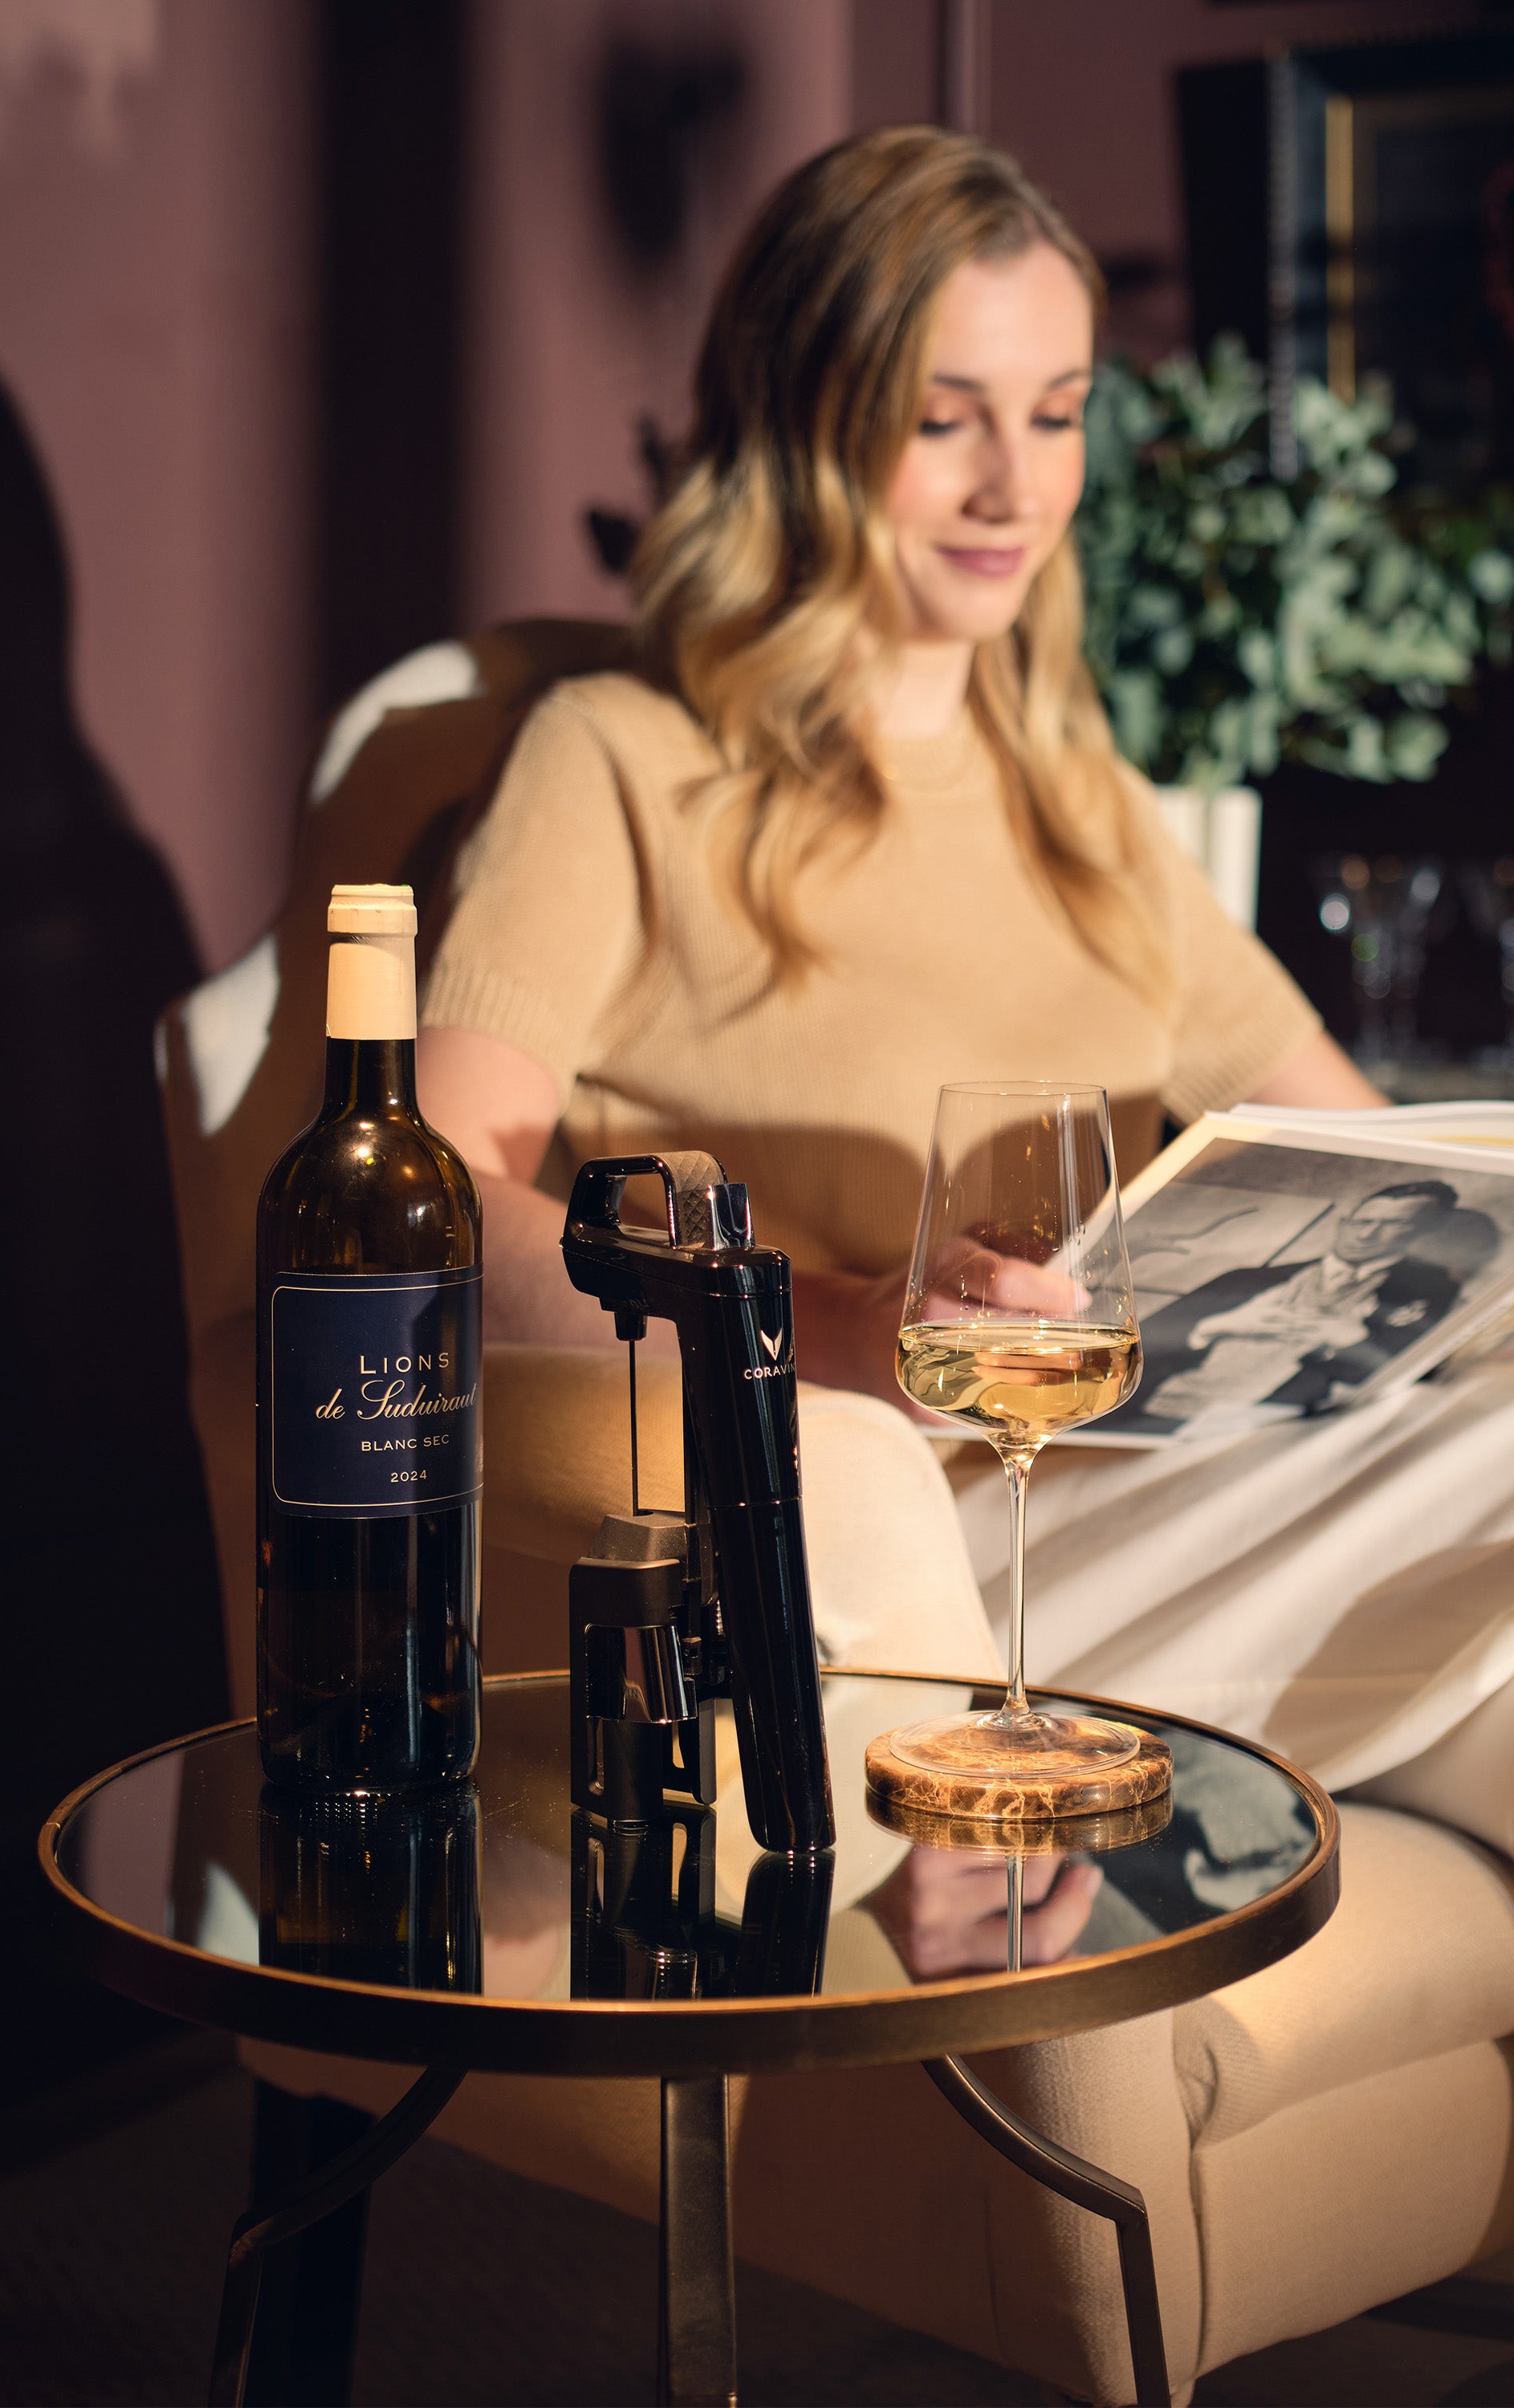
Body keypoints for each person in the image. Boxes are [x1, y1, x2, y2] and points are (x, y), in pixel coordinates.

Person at [414, 128, 1514, 1849]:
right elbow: (422, 1212)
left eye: (1058, 411)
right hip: (904, 1555)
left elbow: (1411, 1184)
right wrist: (834, 1323)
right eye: (944, 422)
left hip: (1170, 1502)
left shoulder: (1081, 803)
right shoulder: (619, 763)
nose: (1017, 484)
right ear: (805, 422)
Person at [1135, 1179, 1465, 1428]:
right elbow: (1137, 1348)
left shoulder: (1431, 1296)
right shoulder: (1247, 1279)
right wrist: (1213, 1328)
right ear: (1344, 1223)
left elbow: (1407, 1385)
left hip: (1279, 1431)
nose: (1366, 1235)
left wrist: (1352, 1342)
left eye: (1394, 1225)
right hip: (1160, 1414)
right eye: (1362, 1222)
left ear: (1423, 1232)